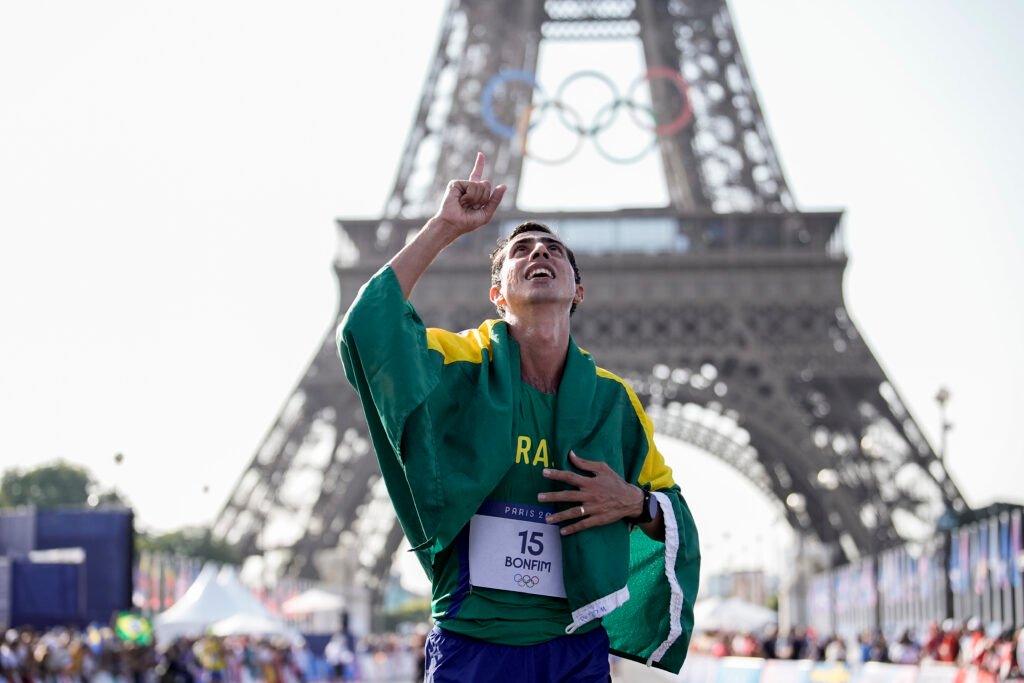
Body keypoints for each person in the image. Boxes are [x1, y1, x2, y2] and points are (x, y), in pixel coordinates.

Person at [338, 153, 700, 681]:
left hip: (572, 650)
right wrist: (443, 228)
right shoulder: (457, 365)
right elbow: (368, 332)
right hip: (475, 642)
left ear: (577, 290)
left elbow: (674, 514)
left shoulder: (613, 402)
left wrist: (635, 501)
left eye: (554, 250)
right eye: (521, 251)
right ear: (497, 293)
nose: (539, 253)